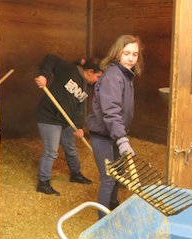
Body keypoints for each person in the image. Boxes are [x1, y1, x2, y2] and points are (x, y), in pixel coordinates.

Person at [87, 35, 144, 216]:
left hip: (114, 134)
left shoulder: (125, 76)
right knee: (109, 179)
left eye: (134, 54)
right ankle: (103, 223)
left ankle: (113, 210)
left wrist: (121, 136)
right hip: (103, 136)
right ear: (117, 53)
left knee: (117, 175)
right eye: (126, 53)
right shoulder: (113, 76)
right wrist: (121, 139)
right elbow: (111, 110)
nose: (131, 58)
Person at [35, 54, 102, 196]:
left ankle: (75, 174)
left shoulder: (86, 87)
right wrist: (44, 76)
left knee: (70, 147)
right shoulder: (68, 70)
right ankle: (43, 182)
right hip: (49, 116)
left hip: (66, 120)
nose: (98, 81)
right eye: (98, 77)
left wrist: (78, 126)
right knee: (51, 151)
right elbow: (50, 58)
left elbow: (80, 108)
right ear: (90, 72)